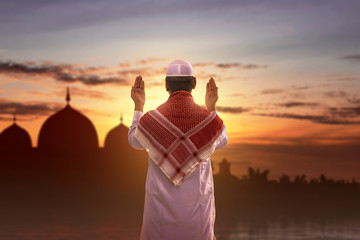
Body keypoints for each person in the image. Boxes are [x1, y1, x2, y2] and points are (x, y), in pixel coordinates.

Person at [128, 59, 228, 240]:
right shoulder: (207, 121)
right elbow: (222, 140)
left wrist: (139, 106)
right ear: (195, 83)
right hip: (198, 221)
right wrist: (211, 107)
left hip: (159, 220)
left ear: (166, 85)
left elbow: (134, 141)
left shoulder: (153, 120)